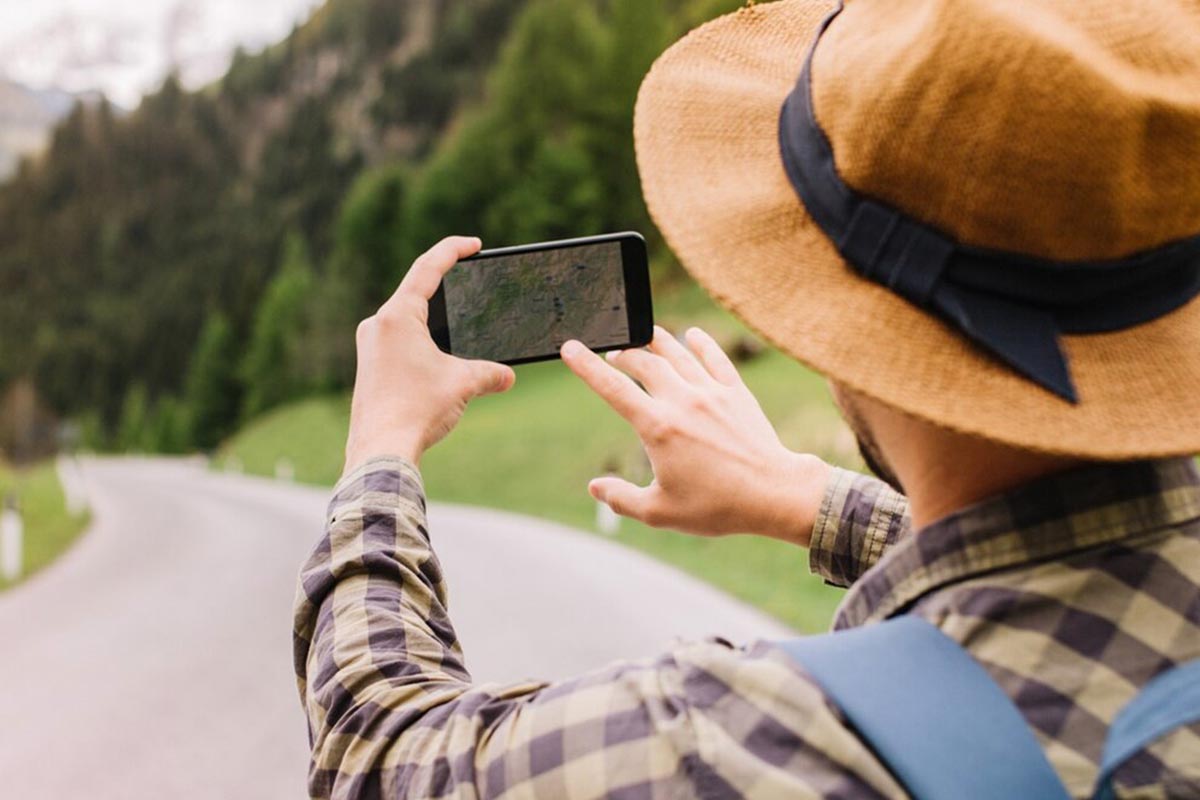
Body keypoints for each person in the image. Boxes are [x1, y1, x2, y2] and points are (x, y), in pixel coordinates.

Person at [292, 0, 1200, 797]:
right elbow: (1056, 567)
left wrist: (381, 446)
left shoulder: (751, 746)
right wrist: (810, 499)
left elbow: (381, 758)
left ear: (841, 310)